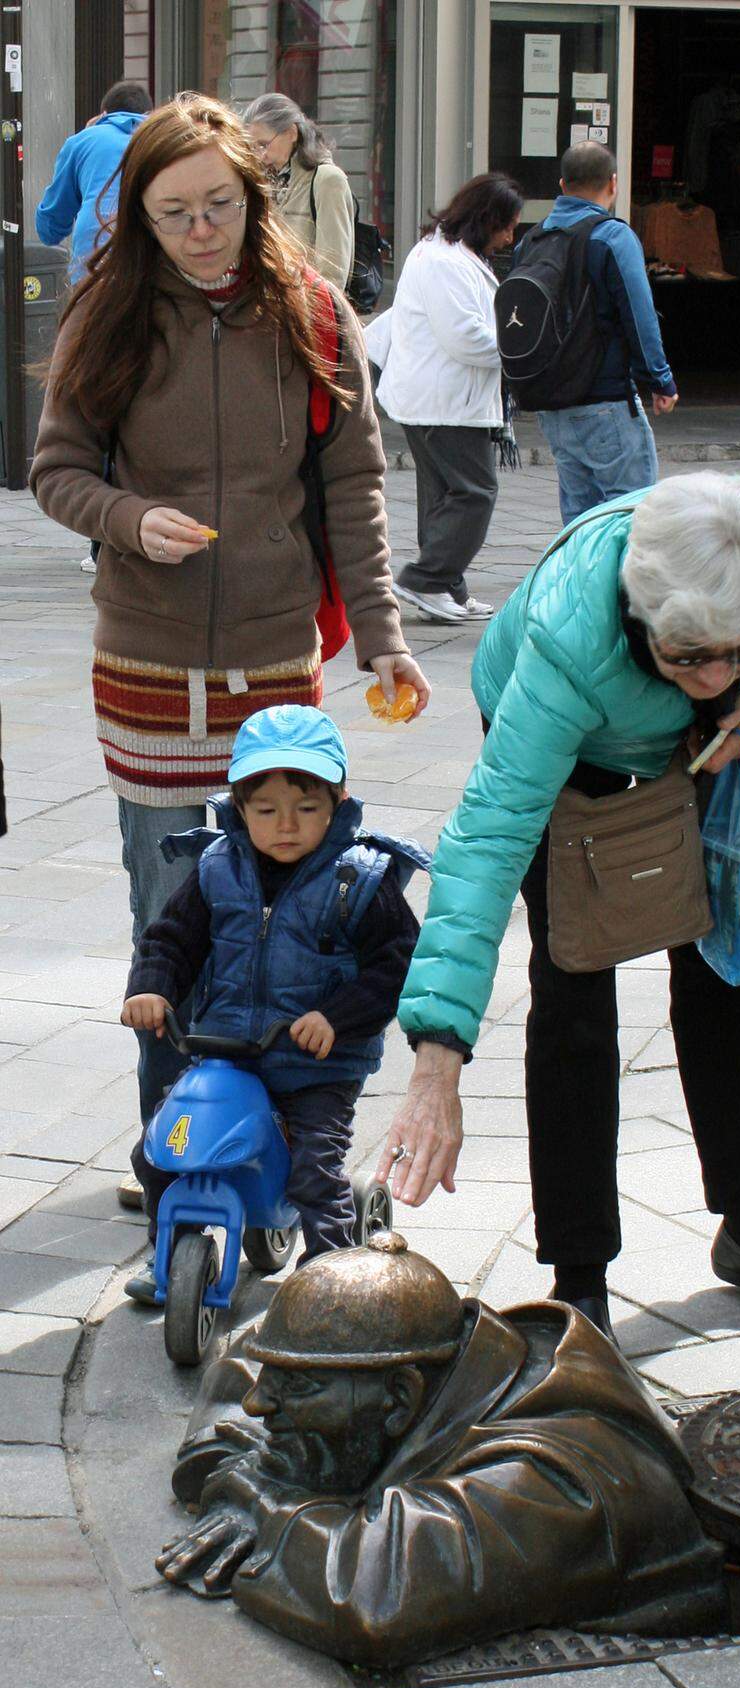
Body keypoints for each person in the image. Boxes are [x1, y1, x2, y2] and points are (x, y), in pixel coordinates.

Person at [30, 93, 428, 1178]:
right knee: (172, 914)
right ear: (141, 218)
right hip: (148, 663)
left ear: (254, 196)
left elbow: (354, 479)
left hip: (272, 667)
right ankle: (173, 1147)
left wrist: (383, 633)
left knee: (288, 920)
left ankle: (278, 1139)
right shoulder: (105, 312)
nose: (202, 231)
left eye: (219, 205)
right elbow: (54, 470)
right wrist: (127, 520)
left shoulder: (310, 307)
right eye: (175, 214)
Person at [378, 472, 740, 1344]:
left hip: (712, 743)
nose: (713, 674)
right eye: (690, 656)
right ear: (641, 613)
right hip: (578, 748)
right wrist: (436, 1061)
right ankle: (579, 1278)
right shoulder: (569, 644)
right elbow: (483, 842)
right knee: (573, 989)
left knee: (733, 964)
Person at [158, 1232, 726, 1665]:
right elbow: (232, 1378)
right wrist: (254, 1476)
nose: (260, 1404)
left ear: (401, 1398)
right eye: (276, 1376)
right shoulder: (449, 1369)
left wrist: (260, 1500)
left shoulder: (547, 1478)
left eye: (298, 1386)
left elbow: (371, 1598)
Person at [119, 707, 424, 1300]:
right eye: (266, 811)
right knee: (160, 1152)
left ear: (338, 800)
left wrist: (337, 1018)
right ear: (238, 806)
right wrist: (151, 987)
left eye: (306, 808)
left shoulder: (358, 877)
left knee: (313, 1170)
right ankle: (166, 1256)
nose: (286, 825)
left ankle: (331, 1282)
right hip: (226, 1053)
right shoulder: (217, 868)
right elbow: (171, 938)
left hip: (315, 1065)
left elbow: (398, 964)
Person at [369, 172, 523, 624]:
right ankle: (427, 578)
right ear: (485, 218)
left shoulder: (452, 255)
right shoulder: (443, 261)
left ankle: (446, 588)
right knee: (476, 493)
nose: (511, 235)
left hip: (440, 398)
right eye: (507, 225)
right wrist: (521, 349)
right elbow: (466, 338)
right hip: (444, 400)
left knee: (444, 494)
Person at [532, 142, 678, 527]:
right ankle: (623, 589)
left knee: (579, 522)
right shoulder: (612, 237)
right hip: (606, 401)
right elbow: (639, 314)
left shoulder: (533, 241)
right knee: (631, 517)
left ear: (562, 184)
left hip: (552, 404)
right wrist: (659, 380)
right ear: (613, 183)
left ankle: (582, 587)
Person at [35, 80, 153, 283]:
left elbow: (51, 227)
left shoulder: (82, 141)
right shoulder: (158, 139)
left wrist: (87, 135)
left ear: (103, 114)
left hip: (93, 257)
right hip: (150, 255)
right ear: (149, 114)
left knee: (92, 312)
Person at [243, 93, 355, 291]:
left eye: (264, 144)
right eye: (253, 148)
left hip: (310, 311)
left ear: (292, 133)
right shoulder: (265, 181)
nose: (260, 154)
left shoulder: (327, 180)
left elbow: (334, 272)